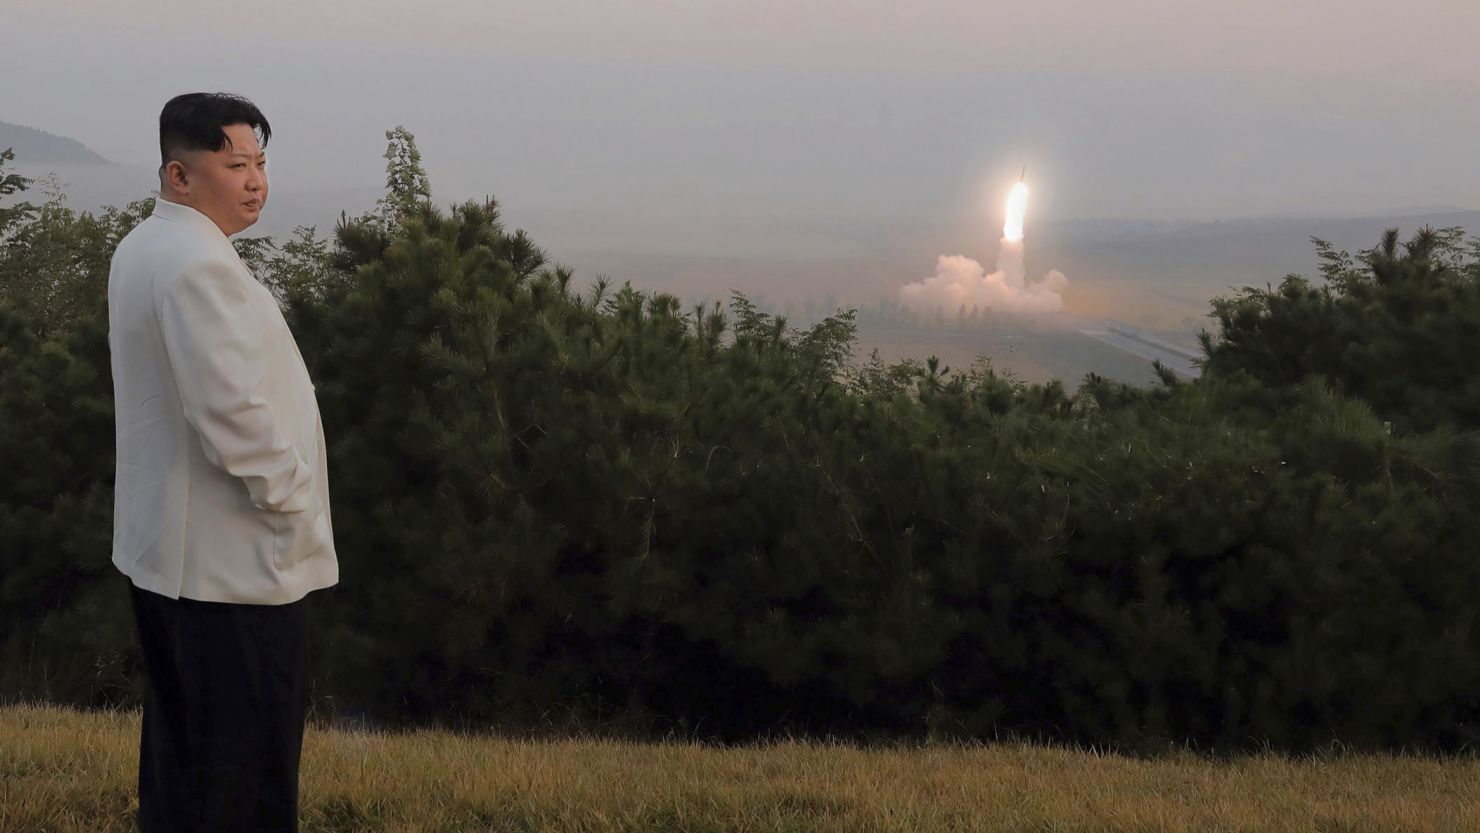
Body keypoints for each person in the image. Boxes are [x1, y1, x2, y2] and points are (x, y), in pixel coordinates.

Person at [108, 92, 337, 832]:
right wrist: (292, 496)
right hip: (229, 563)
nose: (256, 180)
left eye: (261, 162)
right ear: (179, 174)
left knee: (188, 756)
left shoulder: (147, 245)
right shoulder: (197, 265)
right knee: (245, 768)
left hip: (175, 556)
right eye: (235, 163)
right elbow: (231, 413)